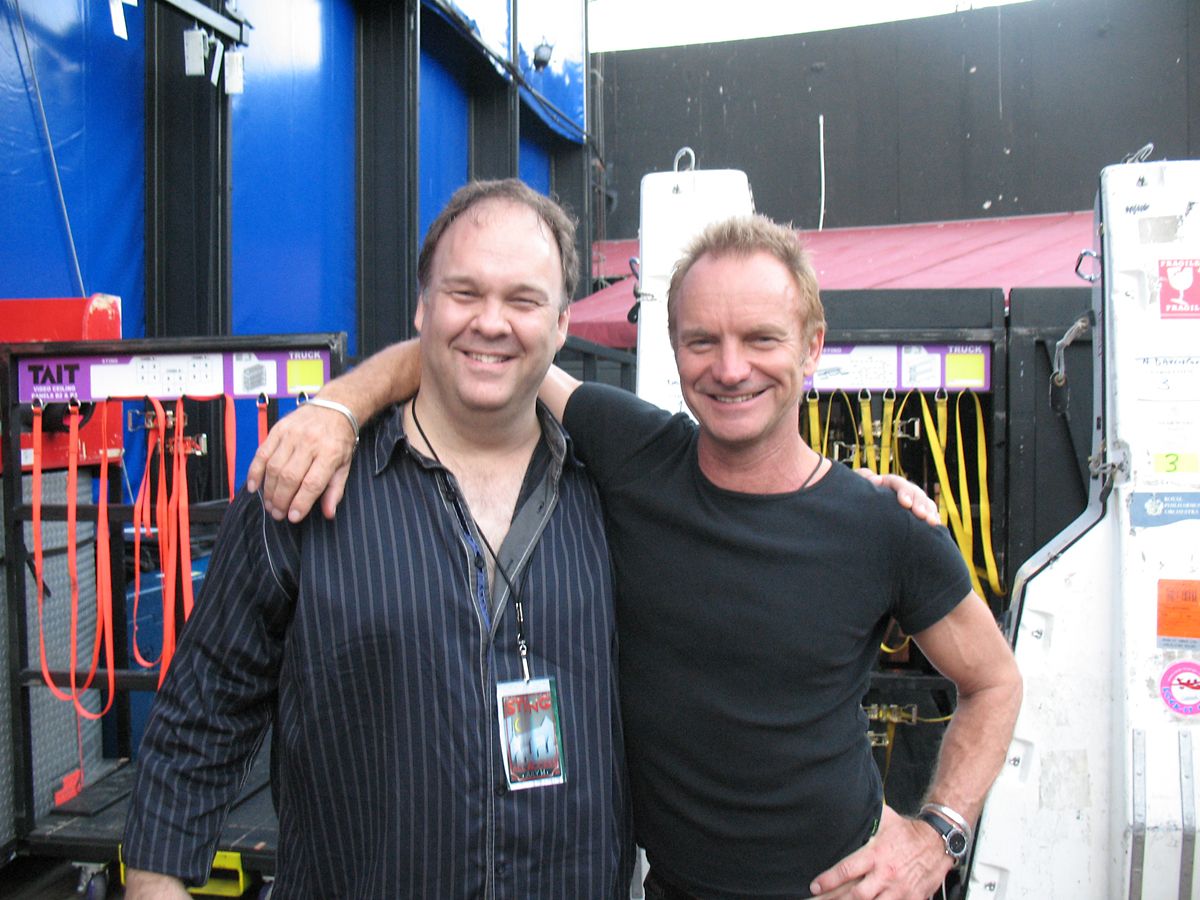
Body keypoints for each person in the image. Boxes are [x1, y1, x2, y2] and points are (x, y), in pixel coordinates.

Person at [248, 214, 1023, 899]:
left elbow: (995, 682)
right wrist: (337, 407)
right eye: (702, 340)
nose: (730, 368)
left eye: (761, 339)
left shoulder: (885, 528)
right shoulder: (637, 452)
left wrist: (940, 834)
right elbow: (480, 353)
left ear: (812, 346)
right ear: (674, 349)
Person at [122, 180, 634, 898]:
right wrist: (155, 881)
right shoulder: (304, 484)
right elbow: (202, 708)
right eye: (464, 293)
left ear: (560, 324)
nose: (491, 322)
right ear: (422, 307)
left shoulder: (616, 492)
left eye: (523, 300)